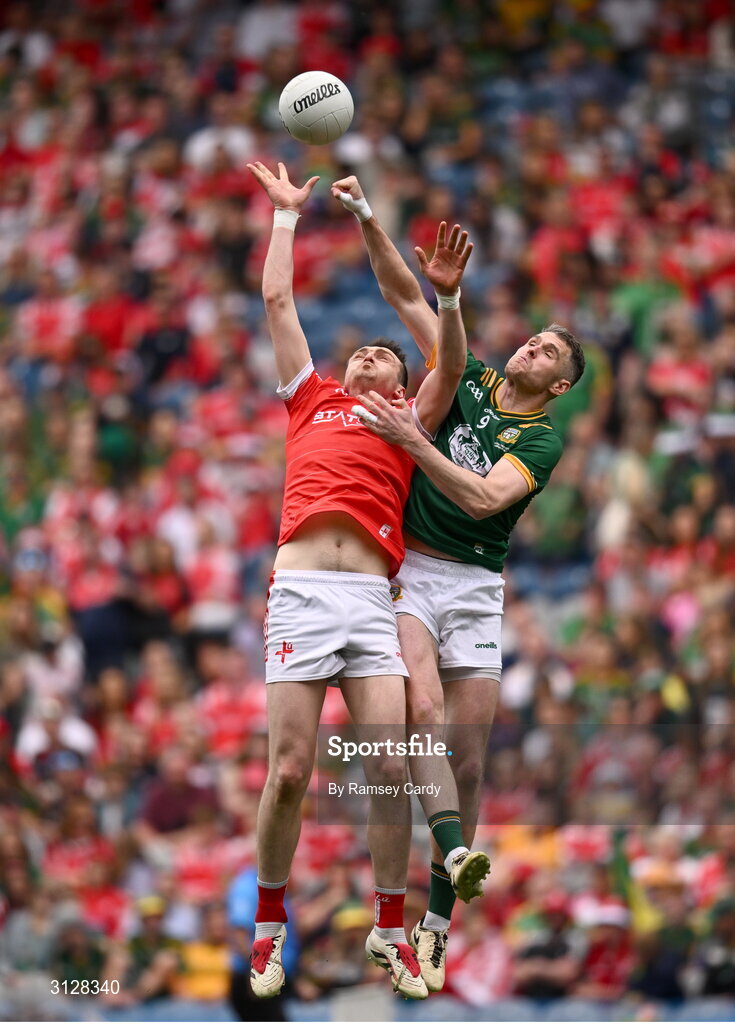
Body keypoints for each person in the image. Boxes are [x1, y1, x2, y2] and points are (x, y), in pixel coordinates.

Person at [332, 174, 585, 992]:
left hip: (474, 584)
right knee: (424, 718)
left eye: (548, 353)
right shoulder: (467, 376)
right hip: (411, 572)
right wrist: (369, 216)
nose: (531, 349)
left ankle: (437, 925)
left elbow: (480, 497)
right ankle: (419, 895)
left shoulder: (539, 441)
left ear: (559, 385)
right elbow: (400, 288)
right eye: (533, 340)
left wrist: (412, 441)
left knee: (467, 763)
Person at [245, 161, 489, 1001]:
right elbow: (279, 303)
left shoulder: (408, 418)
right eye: (364, 350)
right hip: (304, 594)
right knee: (287, 772)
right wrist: (286, 219)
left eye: (386, 352)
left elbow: (450, 369)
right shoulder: (309, 397)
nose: (371, 354)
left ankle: (393, 929)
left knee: (391, 761)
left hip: (371, 602)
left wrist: (448, 302)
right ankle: (268, 927)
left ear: (399, 382)